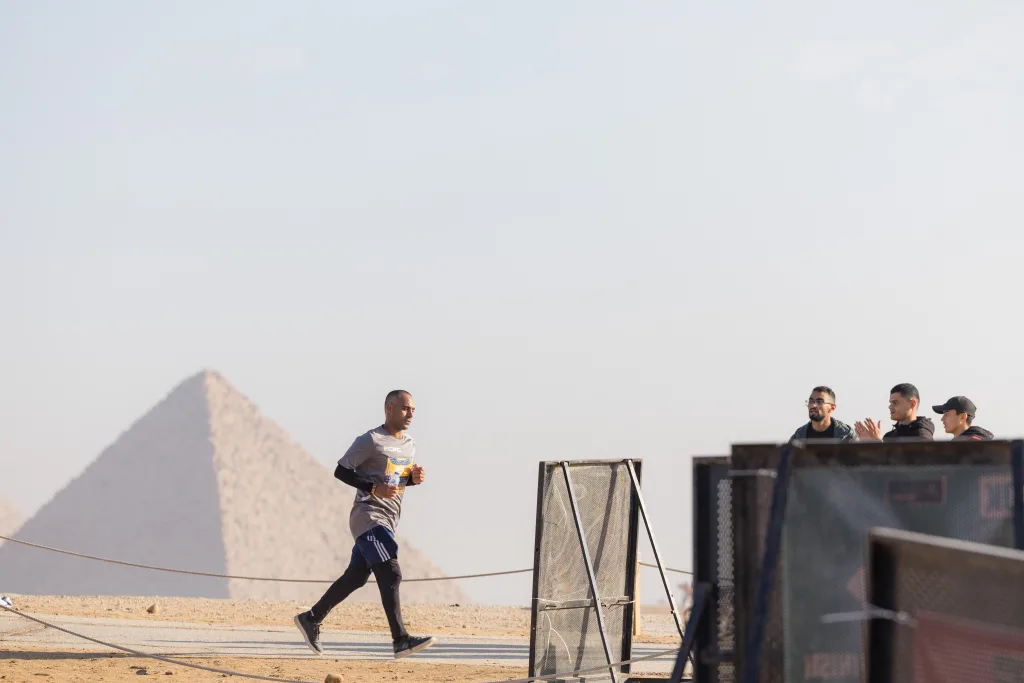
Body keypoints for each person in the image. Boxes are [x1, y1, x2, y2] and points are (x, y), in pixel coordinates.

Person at [293, 390, 436, 659]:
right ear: (389, 408)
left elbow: (396, 481)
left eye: (413, 410)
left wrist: (414, 479)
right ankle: (400, 639)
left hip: (389, 519)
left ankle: (311, 618)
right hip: (368, 517)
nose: (410, 415)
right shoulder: (370, 440)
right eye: (405, 409)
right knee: (391, 572)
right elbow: (341, 470)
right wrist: (372, 488)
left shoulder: (409, 444)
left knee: (357, 577)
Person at [854, 383, 935, 441]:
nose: (890, 406)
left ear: (912, 404)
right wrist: (869, 445)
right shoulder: (889, 436)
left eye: (895, 402)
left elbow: (908, 463)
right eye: (890, 403)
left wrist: (878, 443)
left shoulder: (922, 436)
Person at [790, 386, 858, 442]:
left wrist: (867, 441)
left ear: (832, 408)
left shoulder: (846, 436)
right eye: (811, 401)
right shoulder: (798, 437)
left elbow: (861, 457)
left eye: (819, 402)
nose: (813, 405)